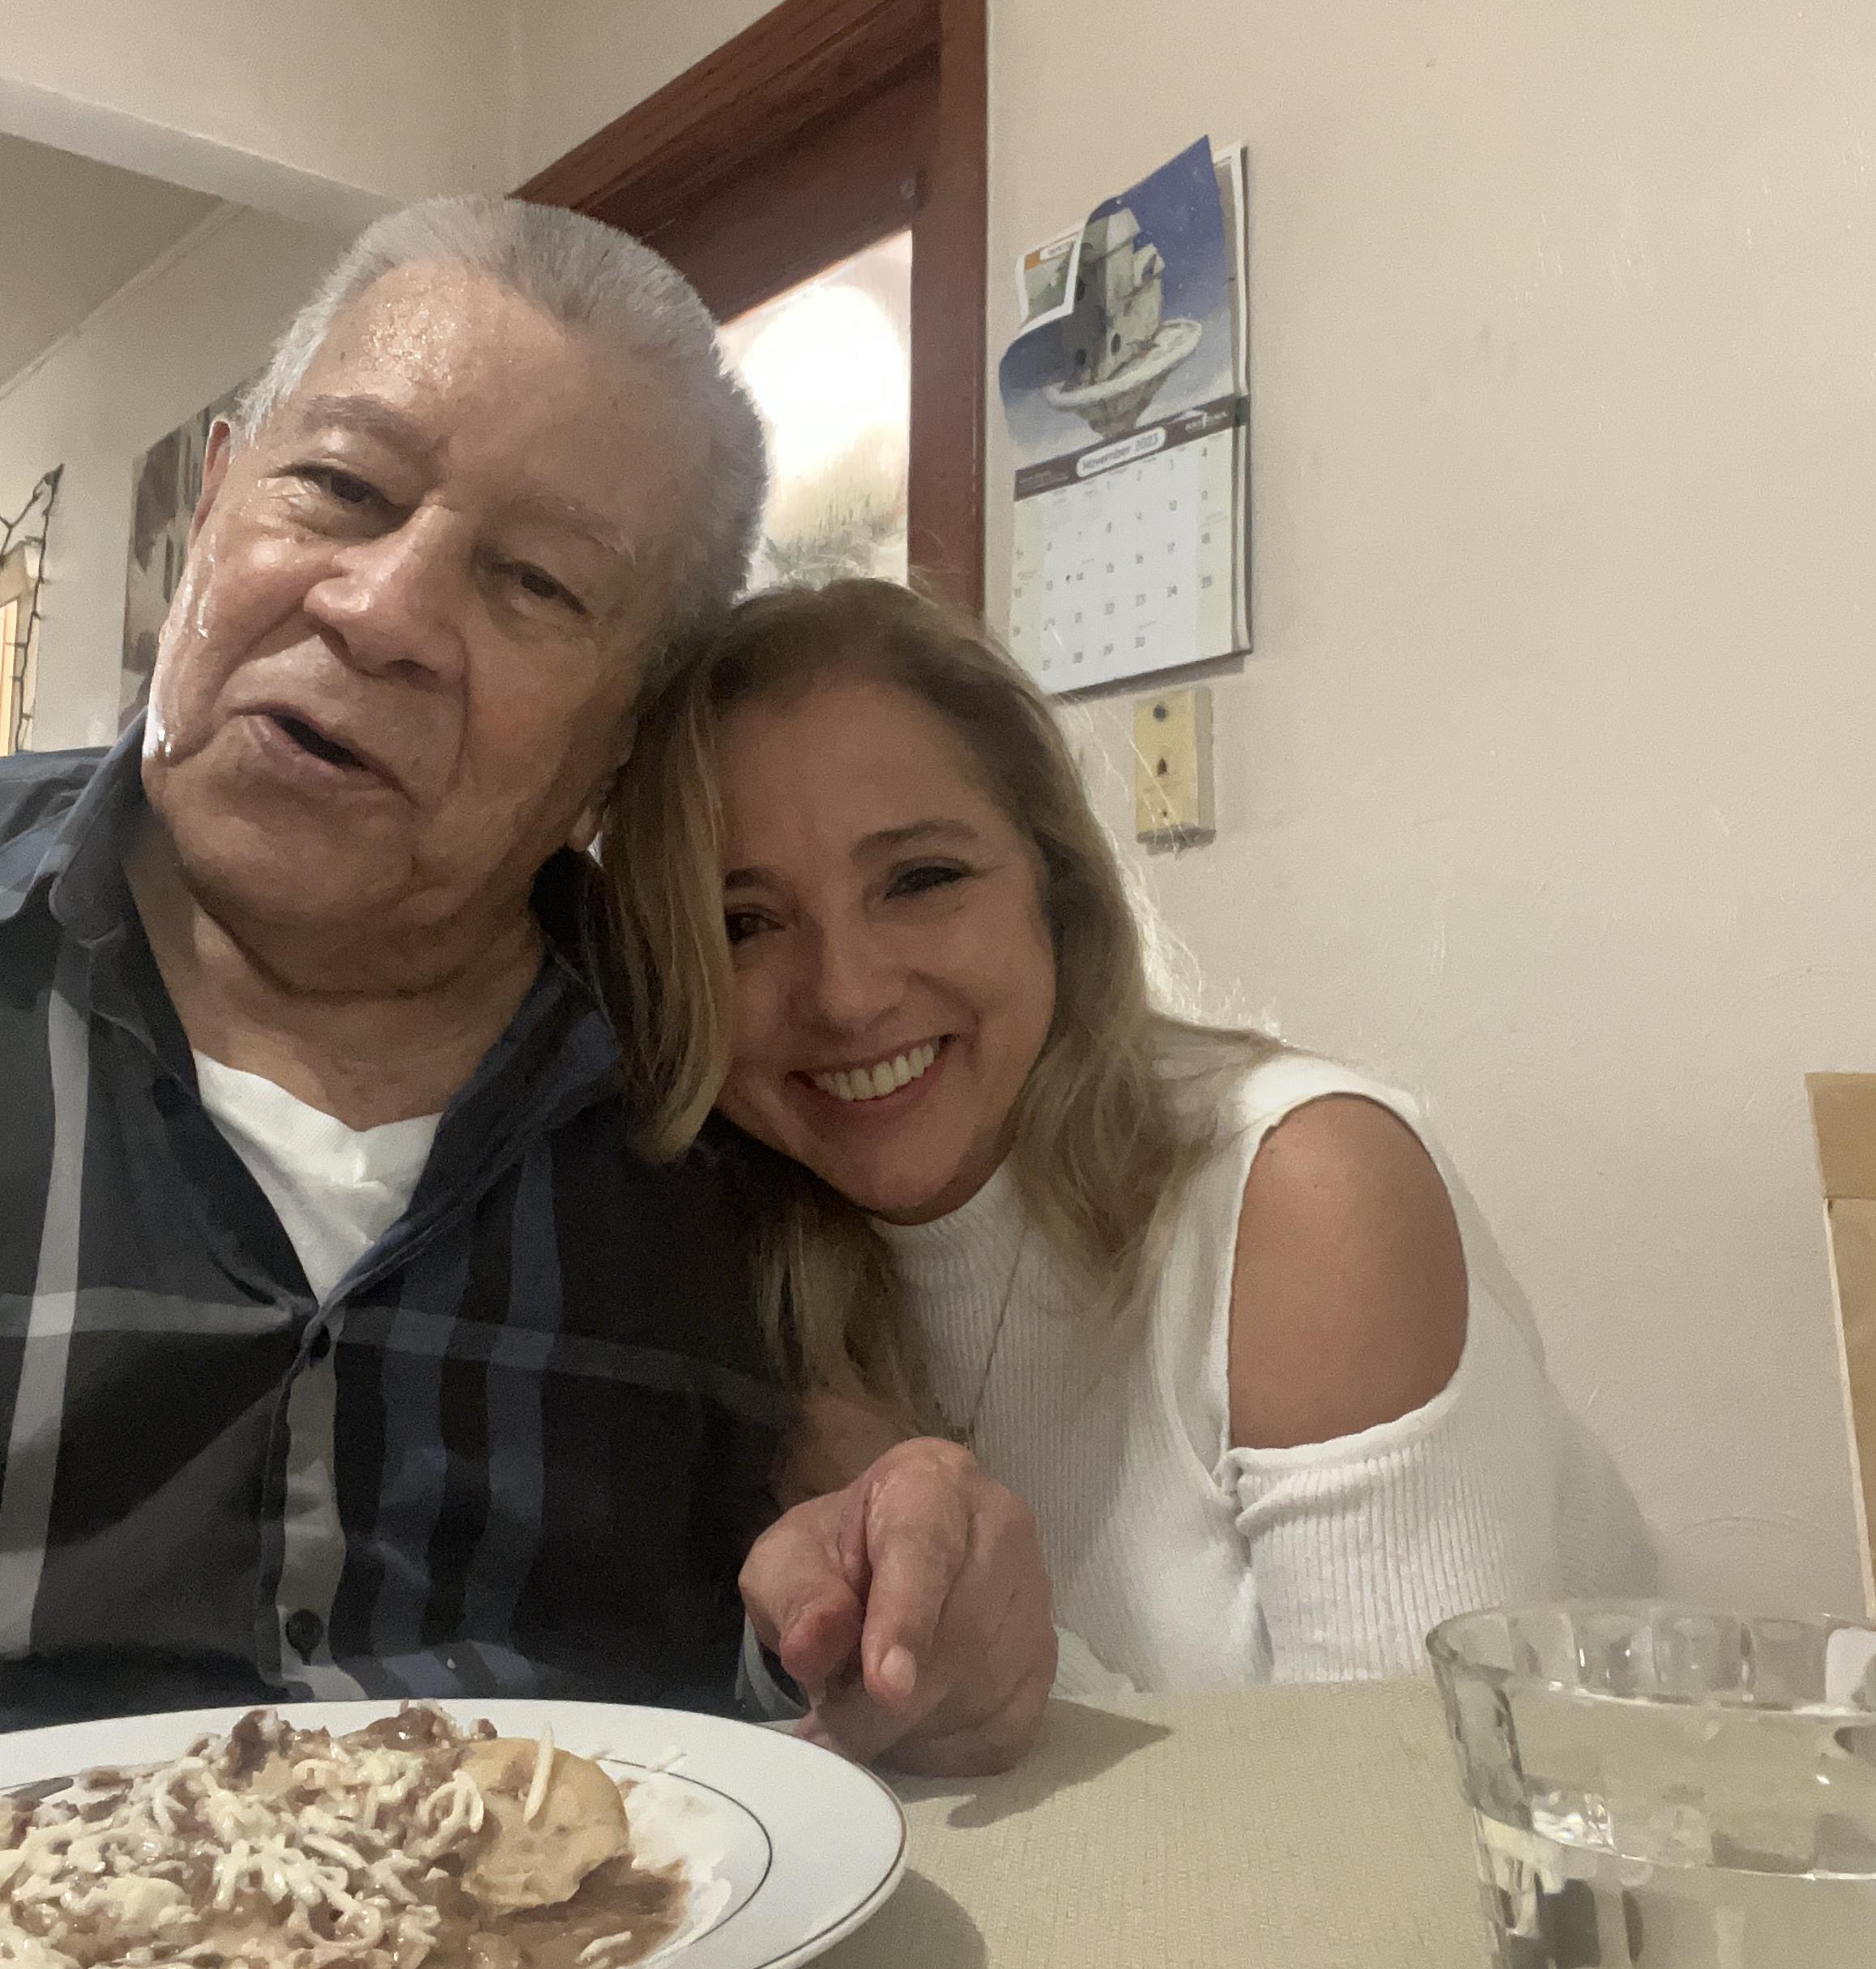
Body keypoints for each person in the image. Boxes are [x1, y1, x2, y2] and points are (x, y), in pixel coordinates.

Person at [0, 200, 1055, 1772]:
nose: (383, 609)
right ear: (215, 500)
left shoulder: (724, 1074)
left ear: (617, 751)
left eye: (539, 583)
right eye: (340, 488)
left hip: (602, 1965)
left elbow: (847, 1518)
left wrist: (912, 1560)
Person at [600, 577, 1655, 1694]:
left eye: (921, 879)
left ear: (1057, 892)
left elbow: (1401, 1809)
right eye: (745, 924)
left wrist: (966, 1648)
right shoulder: (718, 1254)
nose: (848, 994)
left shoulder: (1304, 1190)